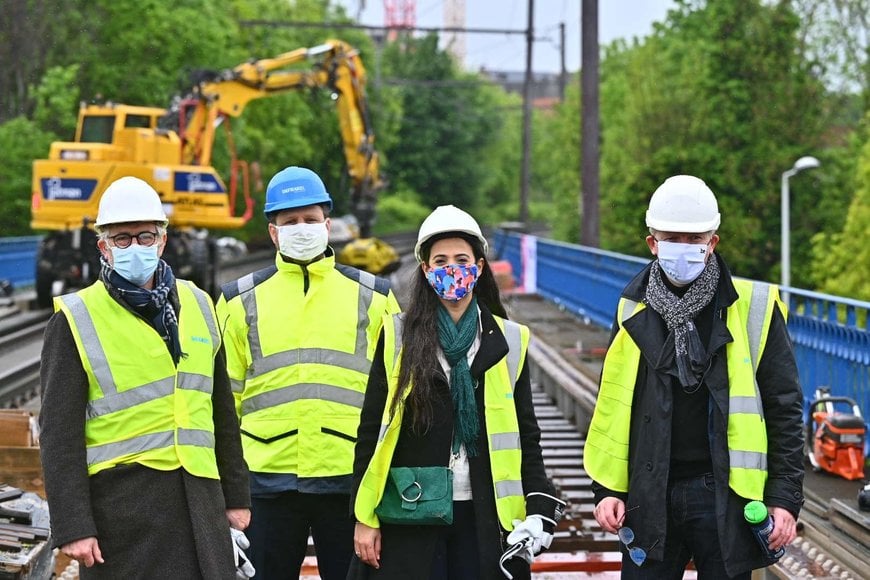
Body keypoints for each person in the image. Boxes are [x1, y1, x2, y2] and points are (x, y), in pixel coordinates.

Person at [584, 175, 805, 578]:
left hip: (727, 497)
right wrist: (608, 491)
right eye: (672, 238)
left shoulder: (755, 308)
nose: (683, 249)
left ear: (712, 242)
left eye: (694, 239)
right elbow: (615, 405)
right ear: (652, 242)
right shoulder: (632, 309)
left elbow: (784, 407)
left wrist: (784, 498)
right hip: (649, 492)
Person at [39, 176, 252, 579]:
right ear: (103, 246)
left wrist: (237, 496)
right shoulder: (75, 319)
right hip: (123, 510)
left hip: (200, 500)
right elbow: (58, 434)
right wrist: (73, 526)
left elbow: (221, 411)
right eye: (122, 239)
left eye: (144, 236)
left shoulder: (199, 304)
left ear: (163, 240)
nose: (135, 246)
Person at [350, 205, 565, 580]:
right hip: (411, 511)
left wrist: (538, 507)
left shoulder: (510, 341)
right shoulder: (397, 336)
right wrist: (363, 517)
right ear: (426, 270)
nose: (453, 269)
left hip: (486, 515)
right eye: (441, 261)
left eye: (462, 259)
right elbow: (371, 434)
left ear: (479, 268)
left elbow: (526, 436)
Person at [217, 166, 401, 580]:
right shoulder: (238, 300)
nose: (302, 228)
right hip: (265, 483)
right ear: (273, 232)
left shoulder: (374, 298)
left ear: (328, 225)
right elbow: (221, 405)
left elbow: (397, 399)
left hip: (350, 480)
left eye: (310, 220)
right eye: (290, 221)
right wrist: (227, 490)